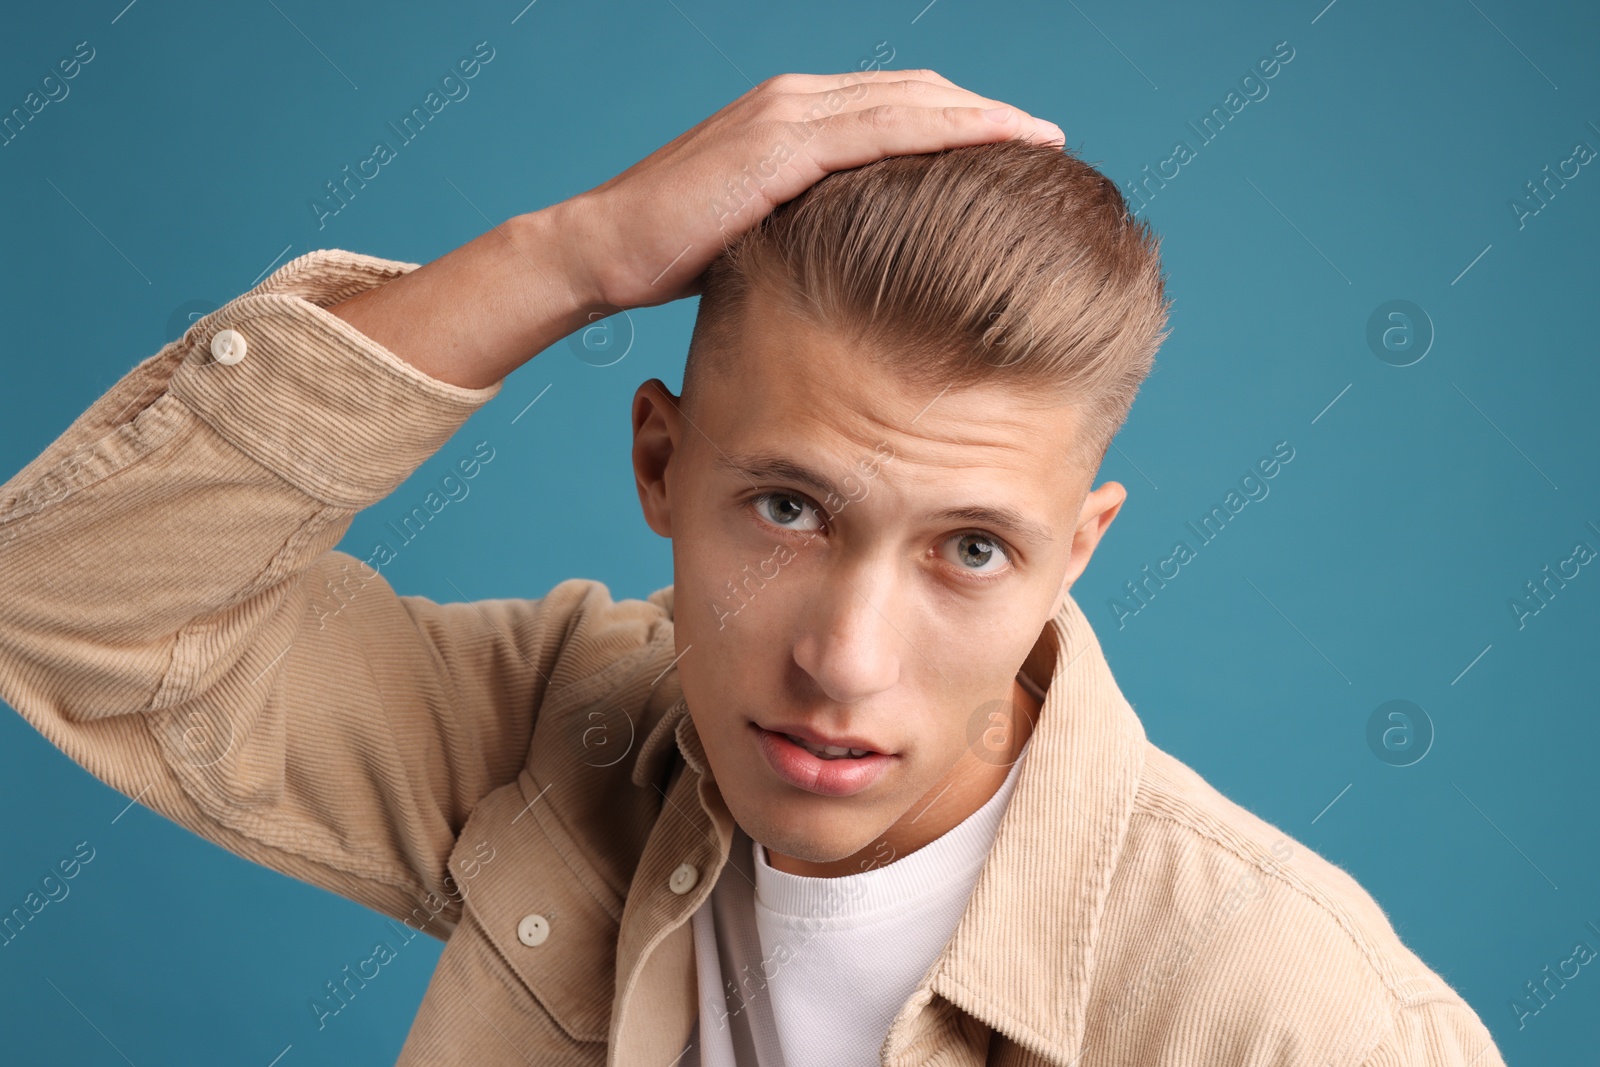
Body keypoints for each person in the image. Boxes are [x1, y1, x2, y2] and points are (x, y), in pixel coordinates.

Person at [0, 70, 1504, 1066]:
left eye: (970, 550)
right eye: (788, 510)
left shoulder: (1290, 1013)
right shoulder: (567, 732)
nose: (845, 662)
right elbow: (69, 593)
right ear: (660, 464)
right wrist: (568, 256)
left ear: (1076, 554)